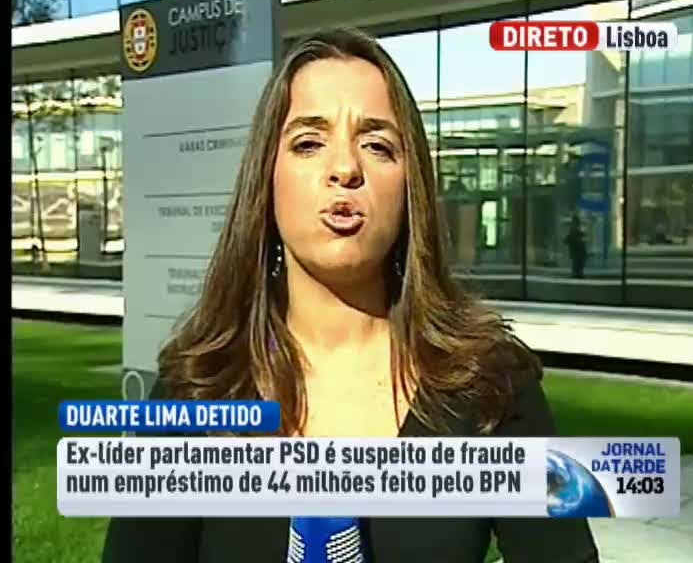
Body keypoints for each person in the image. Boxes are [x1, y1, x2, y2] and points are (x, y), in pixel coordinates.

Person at [103, 28, 598, 563]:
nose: (345, 170)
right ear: (266, 179)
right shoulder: (197, 387)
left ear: (410, 187)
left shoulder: (490, 380)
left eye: (377, 146)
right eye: (308, 143)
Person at [565, 212, 587, 279]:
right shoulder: (577, 228)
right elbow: (574, 236)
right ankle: (578, 274)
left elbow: (571, 237)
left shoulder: (574, 228)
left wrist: (567, 241)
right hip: (578, 248)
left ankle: (577, 274)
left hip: (576, 249)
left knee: (577, 262)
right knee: (578, 262)